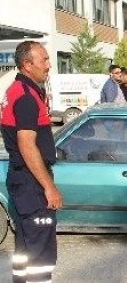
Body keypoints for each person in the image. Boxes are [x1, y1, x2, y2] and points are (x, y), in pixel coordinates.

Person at [0, 41, 63, 283]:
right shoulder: (25, 97)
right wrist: (49, 187)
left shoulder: (17, 90)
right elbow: (27, 145)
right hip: (30, 182)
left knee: (26, 245)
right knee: (40, 252)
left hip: (22, 179)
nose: (48, 65)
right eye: (44, 60)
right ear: (27, 64)